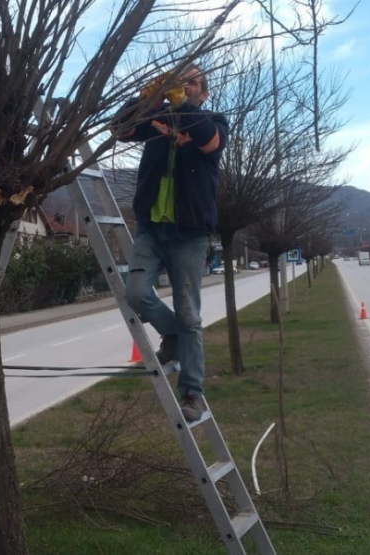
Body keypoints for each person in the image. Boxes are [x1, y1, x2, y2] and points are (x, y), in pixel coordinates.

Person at [114, 65, 228, 423]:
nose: (184, 86)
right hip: (151, 226)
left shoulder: (212, 119)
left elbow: (210, 141)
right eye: (179, 81)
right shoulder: (158, 118)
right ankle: (173, 336)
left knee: (189, 313)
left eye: (191, 82)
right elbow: (119, 130)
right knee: (134, 293)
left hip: (189, 233)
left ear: (204, 93)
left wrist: (183, 105)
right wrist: (145, 99)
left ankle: (192, 391)